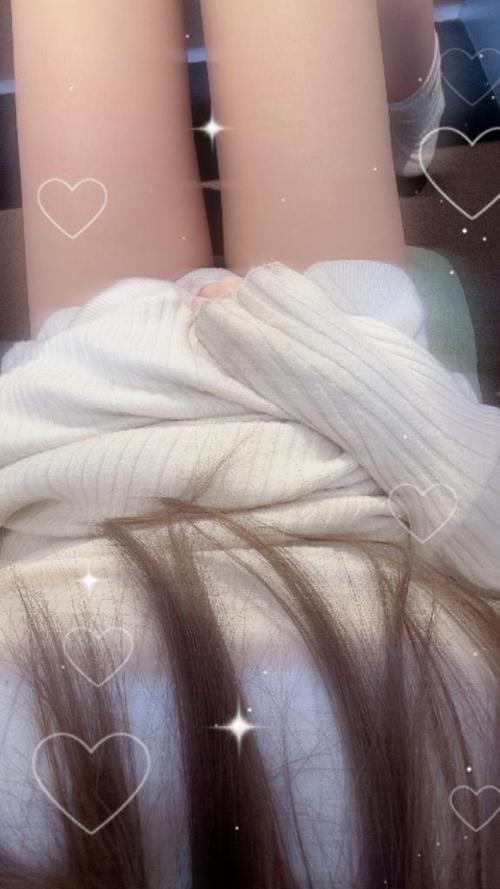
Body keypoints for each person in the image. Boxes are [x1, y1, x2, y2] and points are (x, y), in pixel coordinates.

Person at [1, 1, 499, 887]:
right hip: (347, 438)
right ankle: (406, 77)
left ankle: (404, 72)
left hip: (83, 431)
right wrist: (364, 383)